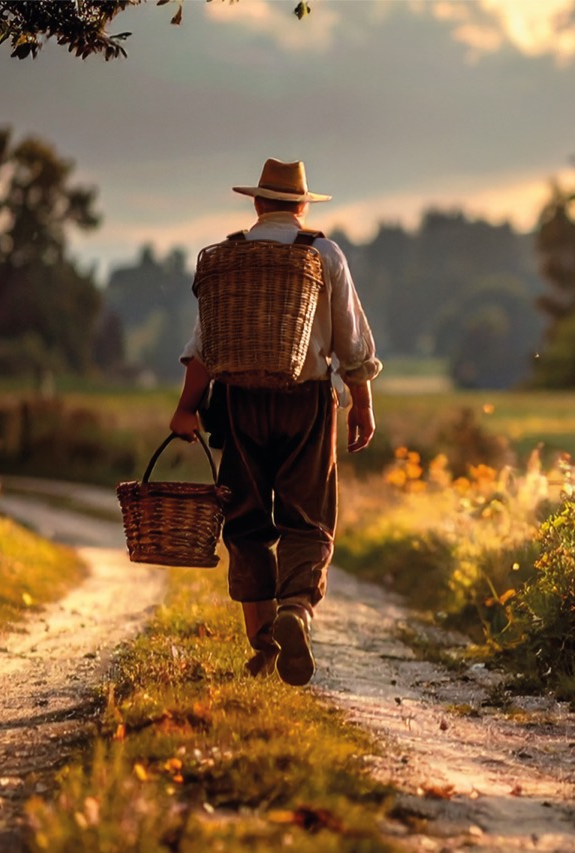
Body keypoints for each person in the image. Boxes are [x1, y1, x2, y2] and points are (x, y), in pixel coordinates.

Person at [168, 158, 381, 686]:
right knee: (307, 519)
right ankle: (296, 610)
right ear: (302, 206)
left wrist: (186, 407)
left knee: (244, 521)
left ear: (258, 203)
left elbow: (203, 349)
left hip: (237, 403)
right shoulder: (323, 254)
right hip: (304, 400)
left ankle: (262, 640)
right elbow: (351, 341)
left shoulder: (227, 259)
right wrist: (362, 403)